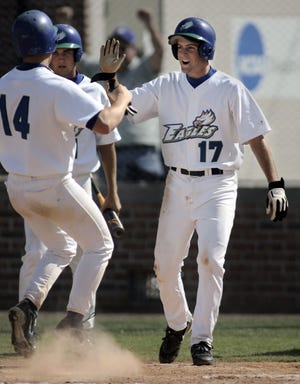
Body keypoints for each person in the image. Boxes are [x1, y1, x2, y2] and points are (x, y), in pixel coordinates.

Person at [111, 17, 288, 365]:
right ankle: (179, 323)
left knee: (210, 259)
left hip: (218, 183)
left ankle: (201, 340)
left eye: (190, 47)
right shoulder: (167, 85)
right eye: (179, 46)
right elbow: (127, 104)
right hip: (177, 182)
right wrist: (109, 79)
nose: (182, 52)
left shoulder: (229, 88)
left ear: (206, 50)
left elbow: (256, 138)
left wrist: (276, 184)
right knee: (164, 266)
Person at [0, 9, 131, 357]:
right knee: (101, 247)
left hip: (17, 188)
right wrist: (122, 98)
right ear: (48, 45)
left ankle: (27, 307)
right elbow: (104, 125)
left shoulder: (3, 83)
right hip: (55, 185)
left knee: (62, 248)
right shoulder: (56, 85)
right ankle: (74, 321)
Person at [80, 9, 166, 182]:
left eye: (124, 46)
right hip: (111, 148)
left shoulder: (143, 69)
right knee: (113, 198)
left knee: (150, 201)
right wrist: (64, 23)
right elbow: (75, 58)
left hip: (143, 150)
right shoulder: (101, 69)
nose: (119, 51)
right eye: (115, 46)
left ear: (134, 49)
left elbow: (160, 52)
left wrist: (150, 25)